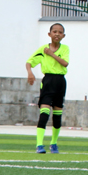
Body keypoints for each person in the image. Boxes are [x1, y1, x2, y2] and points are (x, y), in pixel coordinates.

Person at [25, 23, 69, 154]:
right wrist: (30, 72)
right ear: (49, 34)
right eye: (54, 31)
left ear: (63, 36)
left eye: (60, 32)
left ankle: (53, 143)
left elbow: (65, 63)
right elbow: (29, 62)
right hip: (48, 81)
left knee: (57, 116)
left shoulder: (64, 49)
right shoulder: (43, 49)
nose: (57, 34)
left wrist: (51, 54)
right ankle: (39, 145)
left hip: (60, 82)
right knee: (44, 113)